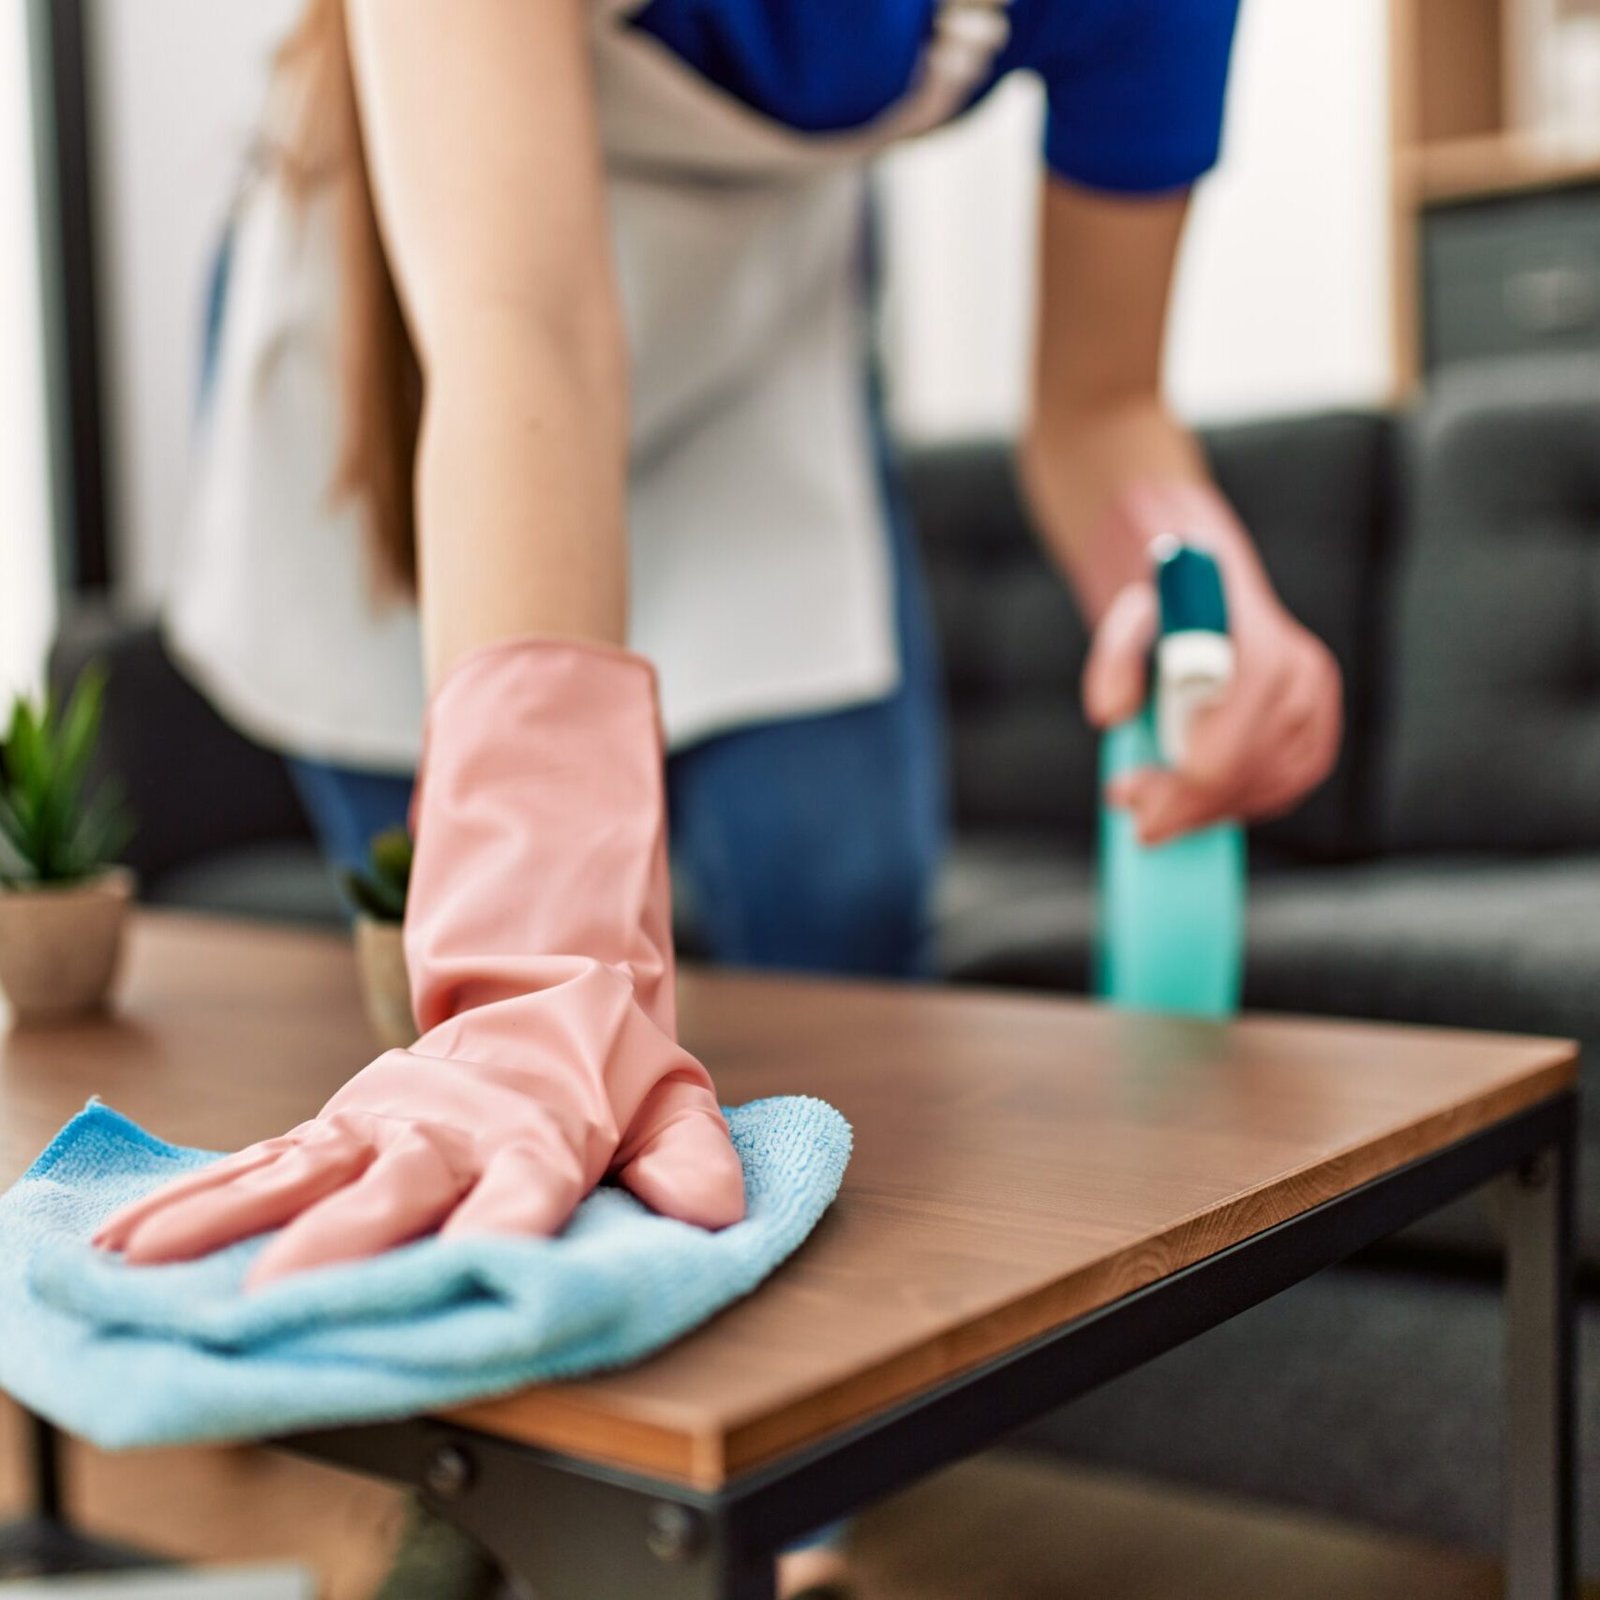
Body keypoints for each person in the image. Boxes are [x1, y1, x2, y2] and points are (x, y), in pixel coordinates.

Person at [100, 1, 1340, 1592]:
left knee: (840, 906)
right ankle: (498, 1498)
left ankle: (776, 1515)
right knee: (457, 994)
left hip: (755, 342)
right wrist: (532, 960)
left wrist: (1193, 573)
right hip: (430, 342)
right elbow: (524, 327)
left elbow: (1099, 403)